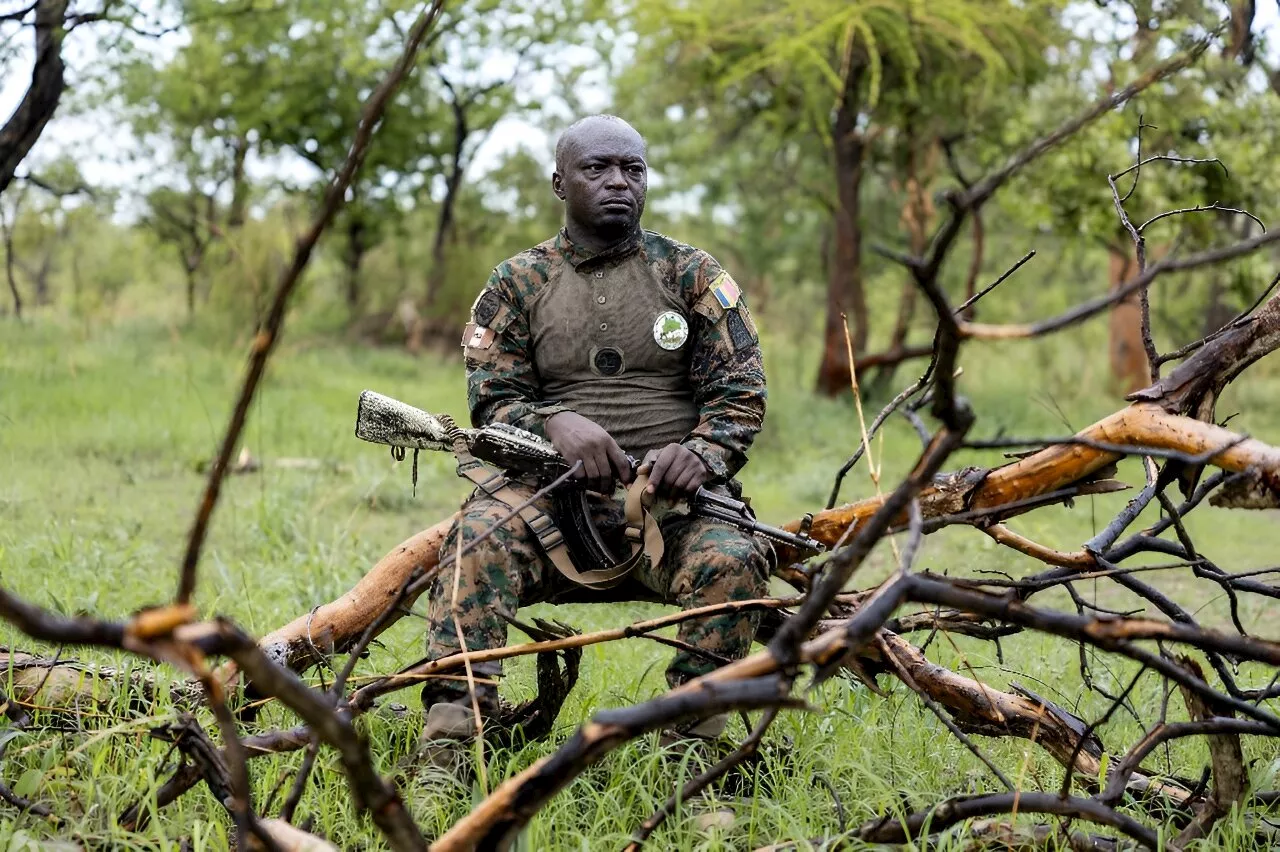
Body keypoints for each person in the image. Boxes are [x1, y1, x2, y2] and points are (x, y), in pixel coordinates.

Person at [417, 114, 769, 772]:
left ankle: (692, 759)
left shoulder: (692, 274)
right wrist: (552, 422)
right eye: (597, 168)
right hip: (550, 502)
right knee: (476, 536)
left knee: (731, 557)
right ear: (559, 182)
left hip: (670, 509)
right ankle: (450, 751)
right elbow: (492, 404)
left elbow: (740, 394)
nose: (618, 182)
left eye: (632, 170)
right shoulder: (516, 284)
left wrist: (699, 455)